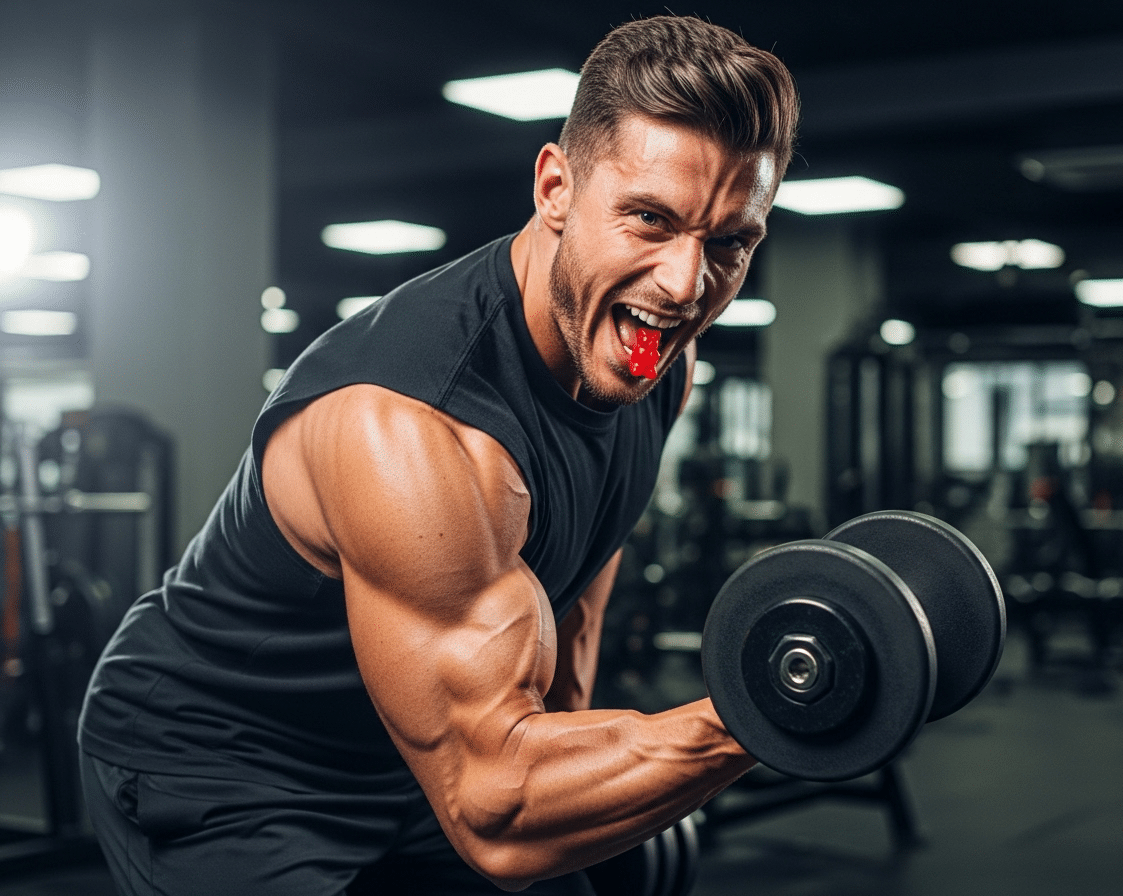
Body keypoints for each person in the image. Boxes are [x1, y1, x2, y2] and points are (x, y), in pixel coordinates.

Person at [78, 14, 799, 895]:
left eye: (729, 242)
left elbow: (579, 587)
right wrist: (771, 709)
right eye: (649, 219)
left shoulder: (654, 366)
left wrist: (579, 774)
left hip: (406, 755)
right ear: (556, 187)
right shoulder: (411, 428)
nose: (686, 285)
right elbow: (497, 811)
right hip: (227, 762)